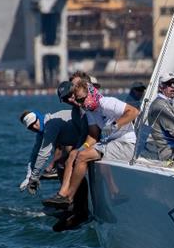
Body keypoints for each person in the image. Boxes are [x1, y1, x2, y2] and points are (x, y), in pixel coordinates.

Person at [42, 79, 139, 209]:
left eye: (82, 99)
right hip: (111, 144)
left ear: (91, 93)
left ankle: (69, 198)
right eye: (79, 100)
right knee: (74, 154)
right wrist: (83, 147)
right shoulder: (90, 111)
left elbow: (133, 112)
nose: (81, 103)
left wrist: (115, 125)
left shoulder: (106, 102)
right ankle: (62, 194)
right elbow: (93, 135)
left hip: (126, 144)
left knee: (82, 157)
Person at [18, 81, 88, 195]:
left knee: (66, 161)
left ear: (38, 117)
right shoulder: (43, 132)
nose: (34, 127)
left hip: (88, 139)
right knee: (61, 164)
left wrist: (34, 177)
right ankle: (69, 202)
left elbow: (43, 153)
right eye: (30, 127)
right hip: (80, 141)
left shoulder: (50, 124)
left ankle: (67, 196)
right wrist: (28, 176)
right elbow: (34, 154)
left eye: (35, 123)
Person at [142, 71, 174, 162]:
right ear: (160, 87)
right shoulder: (159, 106)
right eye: (168, 83)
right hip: (170, 154)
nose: (173, 86)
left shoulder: (166, 104)